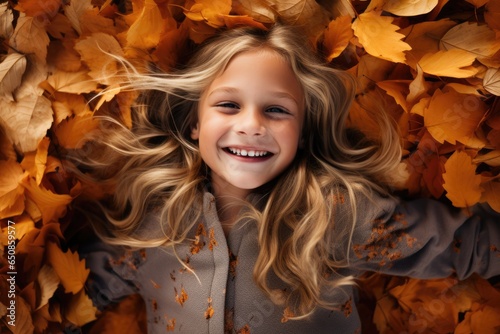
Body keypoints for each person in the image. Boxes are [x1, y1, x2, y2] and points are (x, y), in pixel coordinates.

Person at [76, 24, 500, 333]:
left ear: (302, 133)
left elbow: (468, 245)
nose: (251, 125)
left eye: (276, 110)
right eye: (227, 105)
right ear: (192, 122)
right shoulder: (151, 227)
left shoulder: (331, 214)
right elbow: (61, 302)